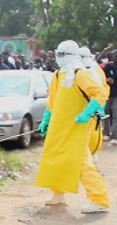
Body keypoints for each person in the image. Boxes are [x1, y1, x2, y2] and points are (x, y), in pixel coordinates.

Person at [36, 40, 110, 214]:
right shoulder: (57, 75)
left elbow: (99, 93)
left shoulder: (81, 74)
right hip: (58, 127)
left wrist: (86, 113)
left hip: (76, 127)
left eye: (63, 55)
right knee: (54, 158)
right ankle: (58, 194)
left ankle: (99, 199)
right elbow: (52, 101)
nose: (59, 58)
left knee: (82, 162)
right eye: (58, 54)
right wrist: (46, 119)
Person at [79, 47, 109, 158]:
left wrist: (97, 107)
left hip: (91, 110)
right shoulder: (81, 71)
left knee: (91, 137)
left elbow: (102, 90)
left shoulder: (94, 71)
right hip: (85, 110)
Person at [102, 50, 117, 146]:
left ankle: (114, 136)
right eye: (115, 56)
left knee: (116, 115)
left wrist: (114, 68)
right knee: (106, 114)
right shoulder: (106, 67)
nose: (116, 58)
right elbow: (102, 78)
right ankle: (106, 133)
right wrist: (107, 80)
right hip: (107, 94)